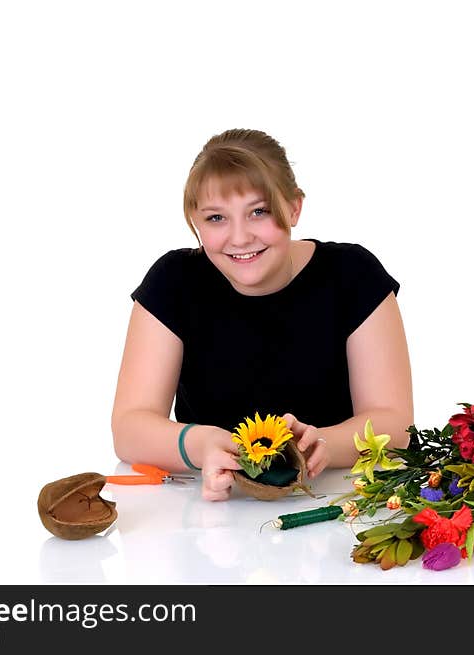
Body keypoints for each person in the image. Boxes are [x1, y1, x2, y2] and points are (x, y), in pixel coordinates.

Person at [111, 128, 414, 501]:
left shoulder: (354, 276)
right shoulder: (173, 282)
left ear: (293, 207)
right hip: (209, 512)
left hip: (333, 502)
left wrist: (322, 445)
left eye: (259, 211)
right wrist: (200, 444)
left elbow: (395, 422)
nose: (239, 238)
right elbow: (129, 428)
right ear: (195, 219)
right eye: (216, 218)